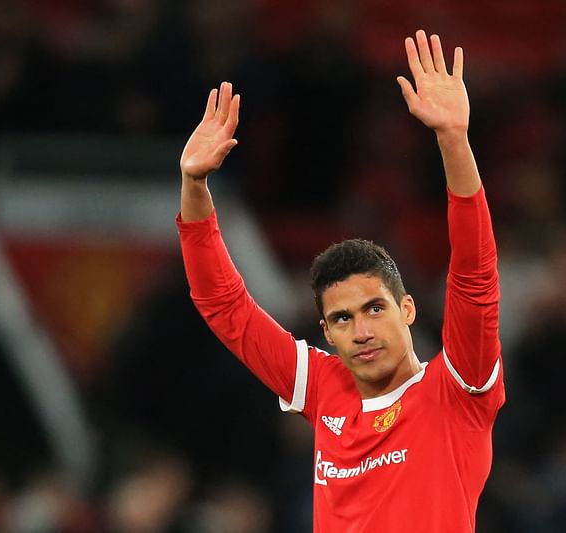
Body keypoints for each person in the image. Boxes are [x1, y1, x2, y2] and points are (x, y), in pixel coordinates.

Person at [176, 30, 504, 532]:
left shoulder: (458, 389)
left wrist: (453, 142)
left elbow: (475, 277)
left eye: (375, 308)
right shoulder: (323, 388)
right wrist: (195, 187)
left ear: (408, 309)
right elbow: (225, 307)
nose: (362, 330)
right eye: (343, 318)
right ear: (327, 333)